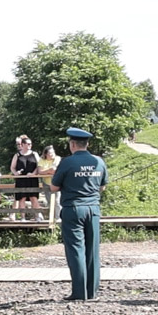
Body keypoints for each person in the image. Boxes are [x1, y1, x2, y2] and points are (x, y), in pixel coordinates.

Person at [49, 128, 109, 301]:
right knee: (93, 251)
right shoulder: (99, 161)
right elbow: (102, 187)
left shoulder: (67, 163)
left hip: (73, 209)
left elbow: (54, 188)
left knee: (76, 250)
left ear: (72, 144)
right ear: (87, 144)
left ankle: (79, 292)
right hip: (94, 209)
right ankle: (92, 292)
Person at [9, 135, 41, 221]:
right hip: (21, 179)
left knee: (33, 197)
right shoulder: (17, 155)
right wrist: (16, 173)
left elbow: (39, 166)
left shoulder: (35, 154)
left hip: (32, 179)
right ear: (23, 145)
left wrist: (33, 173)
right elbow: (12, 167)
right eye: (28, 144)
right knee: (21, 198)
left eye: (31, 144)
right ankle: (23, 217)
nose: (30, 145)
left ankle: (37, 216)